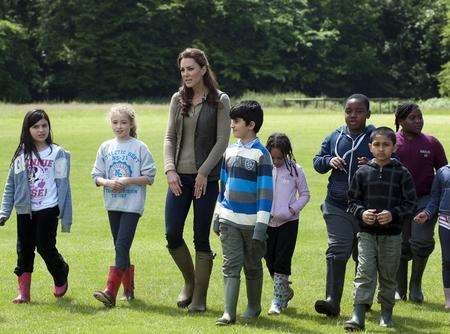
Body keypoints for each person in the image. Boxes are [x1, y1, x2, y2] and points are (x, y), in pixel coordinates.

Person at [163, 48, 231, 313]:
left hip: (207, 178)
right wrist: (170, 170)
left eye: (191, 68)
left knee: (201, 237)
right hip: (178, 178)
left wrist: (203, 172)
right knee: (172, 234)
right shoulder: (177, 98)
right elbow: (169, 137)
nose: (186, 74)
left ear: (203, 69)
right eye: (182, 70)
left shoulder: (220, 100)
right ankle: (190, 282)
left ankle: (200, 299)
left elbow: (222, 140)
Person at [344, 127, 417, 331]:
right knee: (364, 272)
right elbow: (351, 201)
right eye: (376, 144)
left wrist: (393, 214)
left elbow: (411, 203)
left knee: (387, 275)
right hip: (366, 234)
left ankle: (386, 313)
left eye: (386, 145)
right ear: (370, 147)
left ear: (394, 147)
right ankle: (358, 314)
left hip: (392, 236)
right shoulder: (362, 172)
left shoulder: (402, 173)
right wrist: (361, 213)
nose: (381, 149)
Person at [0, 109, 72, 303]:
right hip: (25, 210)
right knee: (24, 249)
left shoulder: (58, 153)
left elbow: (63, 186)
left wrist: (64, 214)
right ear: (27, 129)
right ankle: (24, 293)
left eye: (44, 126)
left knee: (45, 246)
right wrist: (4, 212)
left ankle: (60, 272)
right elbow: (10, 186)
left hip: (49, 208)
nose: (41, 130)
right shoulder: (21, 155)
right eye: (36, 127)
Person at [313, 94, 375, 317]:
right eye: (349, 111)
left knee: (364, 256)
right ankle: (332, 301)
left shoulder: (375, 137)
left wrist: (372, 164)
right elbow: (317, 162)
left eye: (359, 111)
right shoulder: (335, 136)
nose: (353, 115)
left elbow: (392, 164)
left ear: (368, 114)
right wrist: (328, 160)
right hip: (337, 205)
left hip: (368, 208)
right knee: (337, 250)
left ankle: (364, 300)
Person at [213, 101, 273, 325]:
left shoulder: (262, 155)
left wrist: (261, 226)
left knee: (252, 265)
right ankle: (229, 313)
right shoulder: (229, 151)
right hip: (229, 219)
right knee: (230, 264)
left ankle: (253, 307)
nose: (232, 125)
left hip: (253, 224)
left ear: (251, 125)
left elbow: (266, 194)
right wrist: (217, 215)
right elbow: (223, 186)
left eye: (236, 122)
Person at [92, 104, 156, 307]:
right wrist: (108, 182)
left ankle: (110, 292)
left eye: (123, 122)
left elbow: (150, 177)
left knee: (121, 245)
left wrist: (128, 181)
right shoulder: (106, 147)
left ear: (131, 124)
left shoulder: (139, 147)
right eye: (115, 122)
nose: (119, 126)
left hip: (132, 205)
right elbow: (96, 176)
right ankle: (128, 290)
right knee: (122, 248)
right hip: (112, 204)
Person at [394, 103, 447, 303]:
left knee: (421, 243)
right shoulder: (392, 142)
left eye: (420, 117)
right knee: (400, 245)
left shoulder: (432, 143)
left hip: (426, 200)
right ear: (400, 121)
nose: (418, 121)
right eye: (412, 118)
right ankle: (400, 289)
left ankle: (416, 284)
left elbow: (444, 175)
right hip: (398, 202)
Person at [264, 133, 310, 315]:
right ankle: (285, 291)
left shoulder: (295, 170)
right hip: (267, 222)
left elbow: (305, 194)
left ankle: (277, 301)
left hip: (289, 223)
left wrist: (292, 210)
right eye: (272, 157)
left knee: (282, 260)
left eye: (280, 158)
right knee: (269, 260)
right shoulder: (265, 169)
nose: (276, 161)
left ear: (286, 154)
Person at [414, 164, 450, 309]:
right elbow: (435, 200)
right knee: (447, 261)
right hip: (446, 222)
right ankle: (448, 301)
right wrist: (427, 213)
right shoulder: (443, 172)